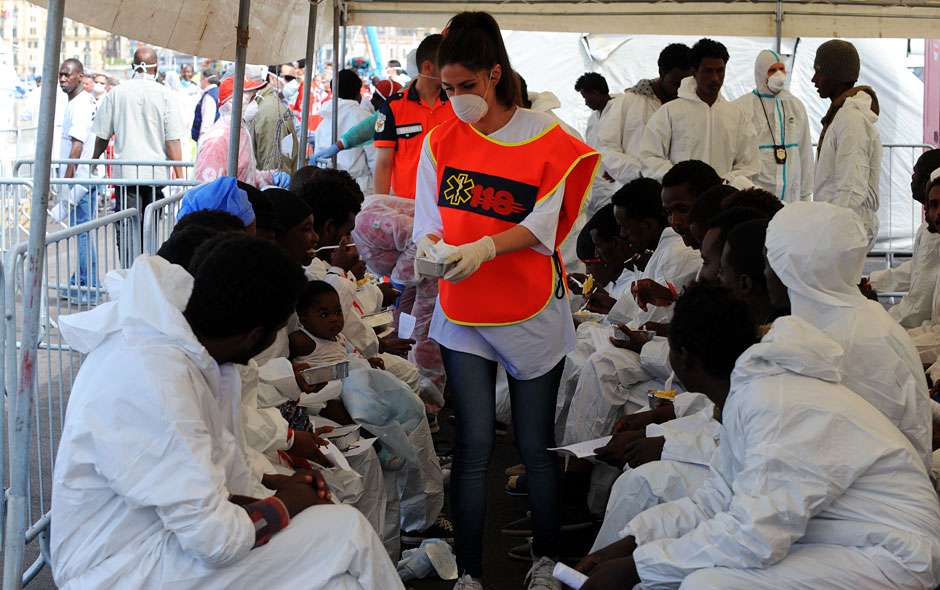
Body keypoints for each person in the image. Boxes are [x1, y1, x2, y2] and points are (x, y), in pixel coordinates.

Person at [51, 235, 405, 589]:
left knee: (340, 568)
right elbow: (215, 541)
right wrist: (287, 504)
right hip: (120, 567)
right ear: (254, 337)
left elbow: (210, 470)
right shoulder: (157, 380)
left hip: (158, 538)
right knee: (348, 532)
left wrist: (280, 489)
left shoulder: (186, 349)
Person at [575, 284, 940, 590]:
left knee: (707, 584)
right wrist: (632, 543)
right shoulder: (752, 392)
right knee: (687, 572)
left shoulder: (771, 401)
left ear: (682, 357)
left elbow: (754, 537)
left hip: (898, 555)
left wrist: (639, 567)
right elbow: (718, 499)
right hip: (855, 540)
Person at [412, 12, 600, 590]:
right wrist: (430, 247)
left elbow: (545, 225)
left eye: (467, 86)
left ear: (495, 74)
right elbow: (430, 219)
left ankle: (545, 562)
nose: (457, 99)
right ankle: (469, 571)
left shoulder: (546, 137)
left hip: (530, 307)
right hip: (463, 307)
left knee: (534, 444)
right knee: (471, 446)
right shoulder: (441, 139)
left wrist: (488, 246)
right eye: (447, 89)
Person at [764, 201, 932, 470]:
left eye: (770, 262)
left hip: (877, 486)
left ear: (793, 269)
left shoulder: (842, 340)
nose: (765, 273)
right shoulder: (855, 316)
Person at [92, 46, 186, 264]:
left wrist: (94, 160)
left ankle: (129, 270)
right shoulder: (165, 94)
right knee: (149, 228)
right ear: (156, 68)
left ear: (132, 66)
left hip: (127, 175)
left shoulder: (116, 93)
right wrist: (180, 177)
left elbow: (102, 135)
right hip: (155, 175)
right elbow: (172, 140)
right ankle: (146, 269)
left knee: (126, 227)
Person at [640, 38, 758, 187]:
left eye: (720, 70)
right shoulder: (670, 112)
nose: (715, 78)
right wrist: (684, 181)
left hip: (722, 195)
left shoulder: (737, 115)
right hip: (682, 196)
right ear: (694, 72)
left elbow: (749, 164)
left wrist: (727, 180)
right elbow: (650, 158)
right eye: (708, 71)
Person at [812, 39, 882, 246]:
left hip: (846, 230)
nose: (814, 79)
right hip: (838, 226)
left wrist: (836, 234)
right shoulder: (841, 116)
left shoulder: (852, 120)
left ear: (837, 76)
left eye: (819, 72)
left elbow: (851, 187)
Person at [374, 34, 455, 199]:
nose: (454, 71)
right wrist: (380, 205)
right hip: (407, 204)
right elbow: (383, 164)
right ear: (428, 67)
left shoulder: (456, 105)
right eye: (447, 64)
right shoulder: (394, 107)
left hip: (447, 203)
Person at [598, 44, 691, 185]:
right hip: (636, 188)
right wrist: (642, 172)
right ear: (661, 72)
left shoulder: (691, 106)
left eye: (686, 84)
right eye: (675, 83)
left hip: (680, 190)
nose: (680, 90)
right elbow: (607, 146)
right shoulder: (628, 102)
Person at [868, 149, 940, 328]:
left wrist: (884, 323)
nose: (911, 179)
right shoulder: (928, 228)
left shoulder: (934, 236)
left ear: (927, 183)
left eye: (915, 174)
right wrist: (873, 282)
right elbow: (916, 269)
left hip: (920, 329)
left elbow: (917, 307)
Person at [734, 50, 813, 202]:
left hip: (790, 196)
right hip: (756, 195)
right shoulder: (743, 107)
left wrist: (805, 193)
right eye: (772, 70)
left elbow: (805, 151)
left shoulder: (795, 106)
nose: (779, 74)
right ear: (761, 74)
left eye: (781, 69)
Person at [195, 76, 291, 189]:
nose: (255, 103)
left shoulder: (241, 132)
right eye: (251, 98)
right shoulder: (217, 140)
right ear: (234, 103)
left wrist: (270, 177)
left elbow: (247, 176)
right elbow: (207, 190)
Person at [56, 58, 99, 301]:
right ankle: (80, 281)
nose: (63, 79)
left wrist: (66, 182)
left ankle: (89, 285)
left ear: (80, 76)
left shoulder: (81, 104)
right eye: (61, 75)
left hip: (80, 180)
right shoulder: (81, 101)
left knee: (82, 233)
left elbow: (77, 146)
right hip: (85, 177)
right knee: (82, 232)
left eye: (67, 75)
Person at [315, 69, 376, 192]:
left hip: (328, 188)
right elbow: (375, 160)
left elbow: (319, 160)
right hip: (361, 190)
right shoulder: (366, 120)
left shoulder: (323, 122)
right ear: (358, 92)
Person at [574, 72, 617, 217]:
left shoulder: (620, 109)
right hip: (595, 184)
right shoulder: (592, 119)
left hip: (613, 181)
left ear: (595, 93)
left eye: (585, 97)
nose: (586, 103)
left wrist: (617, 171)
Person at [248, 66, 300, 174]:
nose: (293, 83)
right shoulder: (267, 104)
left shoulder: (271, 110)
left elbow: (274, 166)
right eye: (289, 78)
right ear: (272, 78)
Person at [192, 68, 220, 141]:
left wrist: (202, 139)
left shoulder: (209, 96)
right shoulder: (218, 92)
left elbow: (207, 121)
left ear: (205, 80)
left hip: (209, 138)